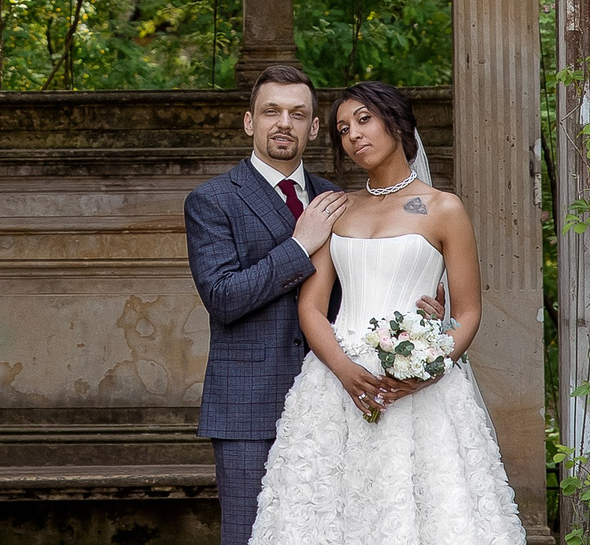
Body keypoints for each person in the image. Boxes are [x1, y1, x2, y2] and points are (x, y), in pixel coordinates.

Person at [247, 79, 525, 545]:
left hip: (419, 386)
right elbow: (312, 308)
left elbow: (469, 311)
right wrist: (345, 371)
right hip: (336, 383)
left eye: (363, 120)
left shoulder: (443, 208)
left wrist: (431, 368)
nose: (353, 135)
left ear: (396, 123)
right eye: (341, 128)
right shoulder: (336, 209)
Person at [184, 65, 446, 545]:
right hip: (250, 406)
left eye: (297, 113)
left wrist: (419, 311)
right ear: (250, 122)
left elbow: (371, 283)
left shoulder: (342, 198)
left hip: (341, 395)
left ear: (312, 127)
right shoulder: (212, 200)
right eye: (271, 111)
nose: (284, 122)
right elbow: (222, 299)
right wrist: (298, 246)